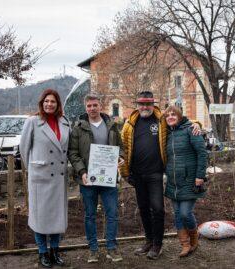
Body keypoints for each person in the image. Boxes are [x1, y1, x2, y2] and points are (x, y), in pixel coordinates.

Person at [120, 91, 200, 260]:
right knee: (143, 209)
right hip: (137, 174)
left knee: (157, 209)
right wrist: (125, 172)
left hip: (155, 173)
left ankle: (158, 244)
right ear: (137, 105)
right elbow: (124, 148)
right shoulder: (130, 124)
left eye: (148, 104)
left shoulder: (161, 120)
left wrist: (197, 123)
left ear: (153, 104)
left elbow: (181, 121)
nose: (144, 107)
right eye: (141, 104)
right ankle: (149, 241)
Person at [68, 94, 124, 263]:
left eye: (95, 105)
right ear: (86, 108)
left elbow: (119, 147)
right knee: (90, 215)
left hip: (108, 178)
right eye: (89, 106)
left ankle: (111, 248)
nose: (92, 108)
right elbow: (73, 153)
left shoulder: (112, 126)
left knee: (112, 214)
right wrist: (82, 171)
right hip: (88, 179)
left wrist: (120, 157)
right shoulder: (78, 128)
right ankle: (93, 249)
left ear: (101, 106)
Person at [20, 89, 70, 268]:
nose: (49, 104)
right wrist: (34, 168)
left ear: (58, 104)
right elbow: (24, 150)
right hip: (40, 179)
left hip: (58, 178)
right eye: (46, 101)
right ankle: (42, 252)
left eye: (53, 102)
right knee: (40, 218)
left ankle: (55, 251)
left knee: (56, 218)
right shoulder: (33, 122)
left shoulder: (64, 122)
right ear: (41, 103)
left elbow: (67, 149)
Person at [163, 105, 207, 257]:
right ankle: (185, 244)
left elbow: (202, 153)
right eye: (167, 115)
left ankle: (194, 239)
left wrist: (200, 176)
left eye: (173, 114)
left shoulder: (191, 130)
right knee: (177, 214)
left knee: (185, 213)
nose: (170, 117)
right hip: (173, 181)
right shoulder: (166, 133)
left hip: (189, 180)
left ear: (180, 116)